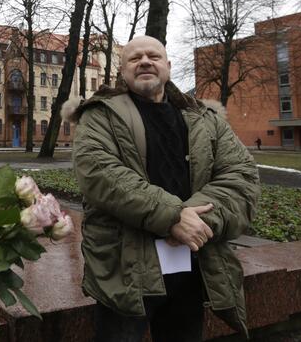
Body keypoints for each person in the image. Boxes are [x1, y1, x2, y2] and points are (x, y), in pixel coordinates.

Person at [65, 36, 260, 341]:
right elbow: (101, 175)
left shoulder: (205, 118)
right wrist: (173, 217)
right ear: (122, 71)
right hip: (125, 268)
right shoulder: (100, 114)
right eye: (135, 58)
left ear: (168, 66)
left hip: (193, 265)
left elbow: (242, 176)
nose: (145, 61)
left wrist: (196, 223)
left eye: (154, 56)